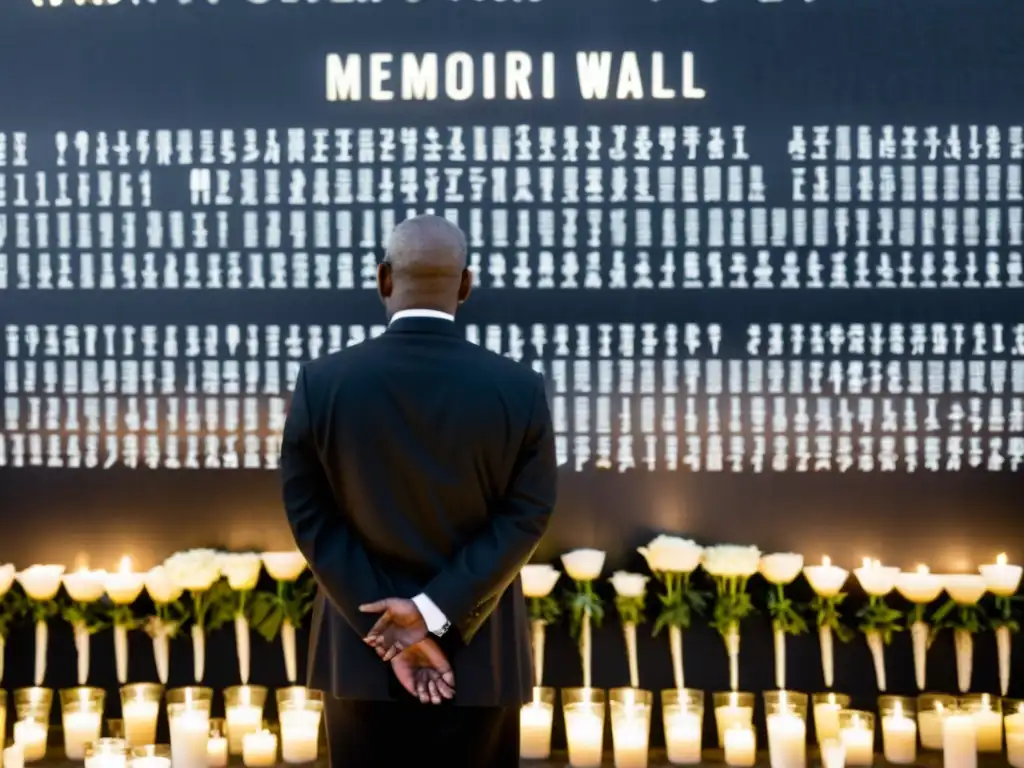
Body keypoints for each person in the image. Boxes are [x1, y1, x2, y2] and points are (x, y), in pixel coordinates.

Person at [279, 214, 558, 767]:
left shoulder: (324, 383)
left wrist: (385, 629)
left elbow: (307, 510)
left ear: (384, 280)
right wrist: (431, 611)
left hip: (360, 660)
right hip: (478, 663)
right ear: (465, 285)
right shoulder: (518, 388)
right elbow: (527, 515)